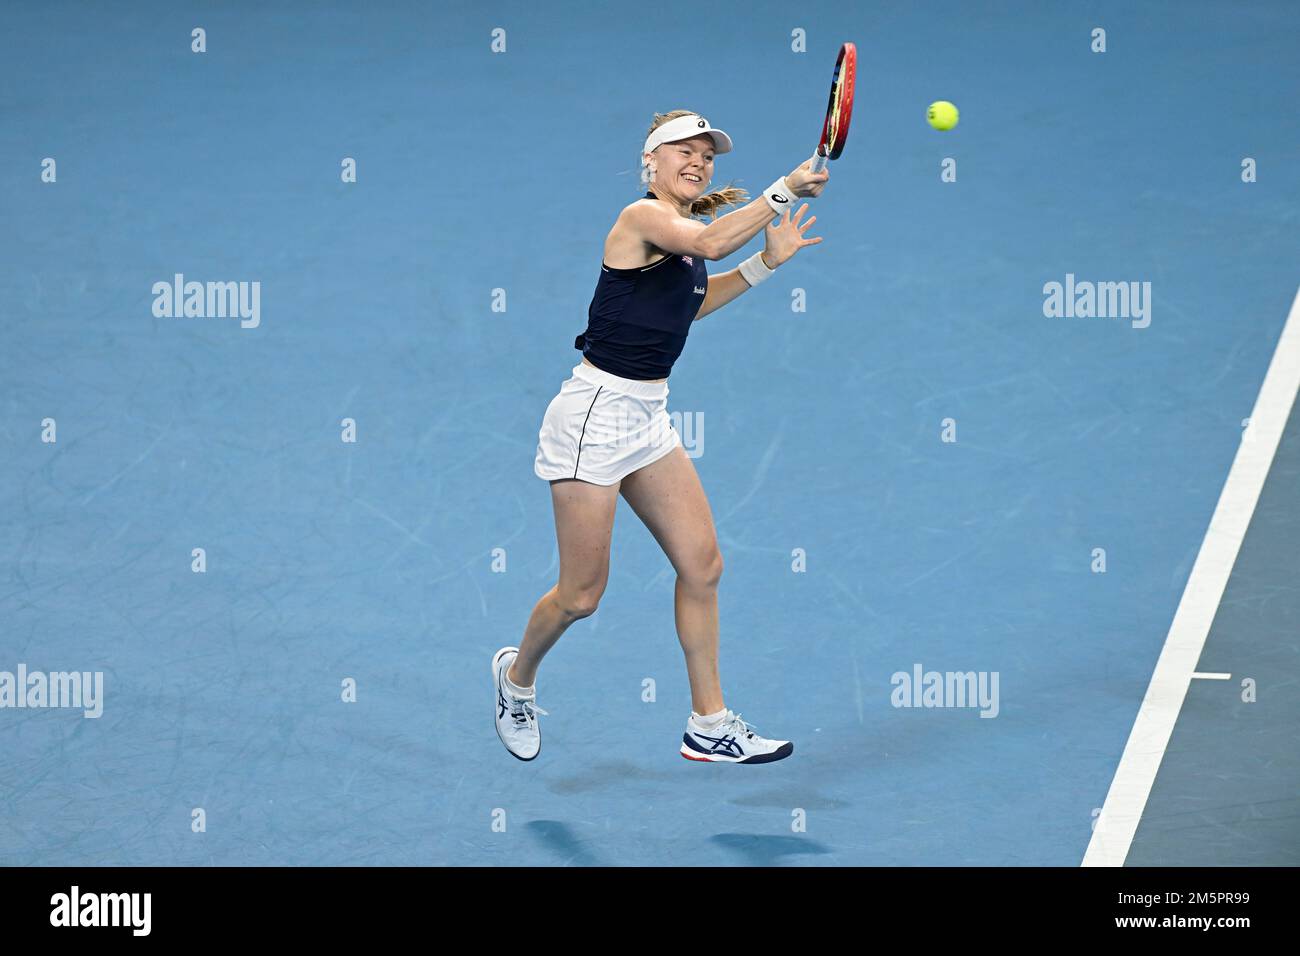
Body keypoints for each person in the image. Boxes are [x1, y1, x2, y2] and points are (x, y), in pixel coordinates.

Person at [493, 110, 827, 763]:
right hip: (594, 417)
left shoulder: (686, 233)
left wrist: (766, 264)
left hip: (647, 415)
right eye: (683, 150)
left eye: (707, 154)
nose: (698, 162)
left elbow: (691, 301)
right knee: (582, 596)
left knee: (702, 566)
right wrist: (781, 190)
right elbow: (705, 247)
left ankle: (709, 724)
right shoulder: (643, 219)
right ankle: (516, 680)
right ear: (651, 162)